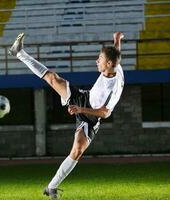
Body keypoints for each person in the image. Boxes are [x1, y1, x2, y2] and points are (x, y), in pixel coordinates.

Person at [9, 32, 124, 200]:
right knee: (53, 79)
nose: (96, 61)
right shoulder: (115, 65)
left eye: (99, 58)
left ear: (108, 63)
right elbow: (116, 53)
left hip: (91, 116)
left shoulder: (111, 89)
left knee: (77, 151)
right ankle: (19, 52)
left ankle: (51, 188)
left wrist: (80, 110)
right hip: (83, 98)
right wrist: (117, 40)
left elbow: (105, 113)